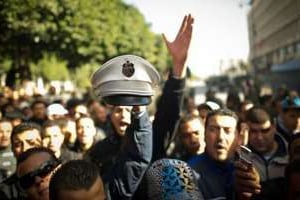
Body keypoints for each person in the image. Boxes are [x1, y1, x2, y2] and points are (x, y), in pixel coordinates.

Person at [188, 109, 261, 199]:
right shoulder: (188, 173)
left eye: (227, 130)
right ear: (204, 134)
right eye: (213, 130)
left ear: (238, 137)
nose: (220, 137)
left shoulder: (249, 169)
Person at [244, 106, 289, 199]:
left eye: (265, 131)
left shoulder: (291, 153)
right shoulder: (240, 158)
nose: (259, 137)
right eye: (253, 131)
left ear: (274, 127)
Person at [0, 122, 43, 200]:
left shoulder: (58, 177)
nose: (25, 149)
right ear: (12, 150)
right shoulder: (4, 191)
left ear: (42, 145)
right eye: (18, 145)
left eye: (31, 143)